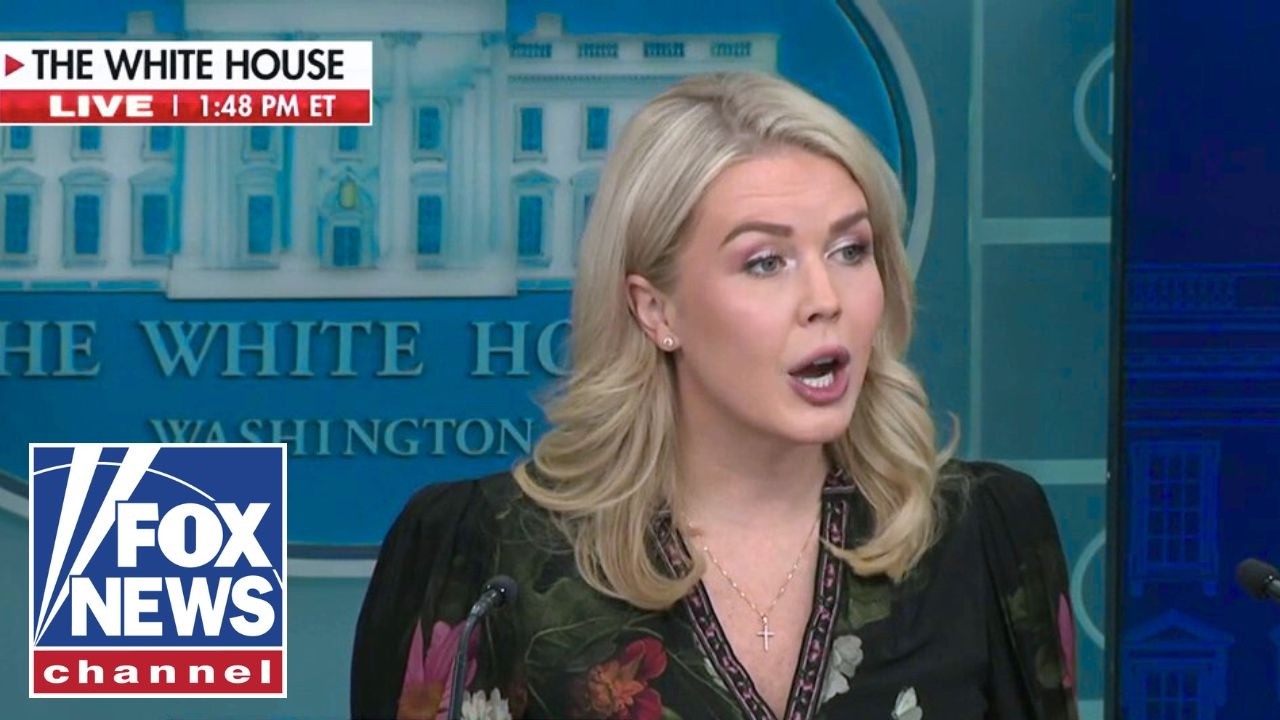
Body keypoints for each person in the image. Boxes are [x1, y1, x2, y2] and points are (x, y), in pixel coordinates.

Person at [351, 71, 1078, 720]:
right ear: (655, 309)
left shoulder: (985, 537)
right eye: (765, 262)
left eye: (850, 250)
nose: (825, 298)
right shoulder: (484, 557)